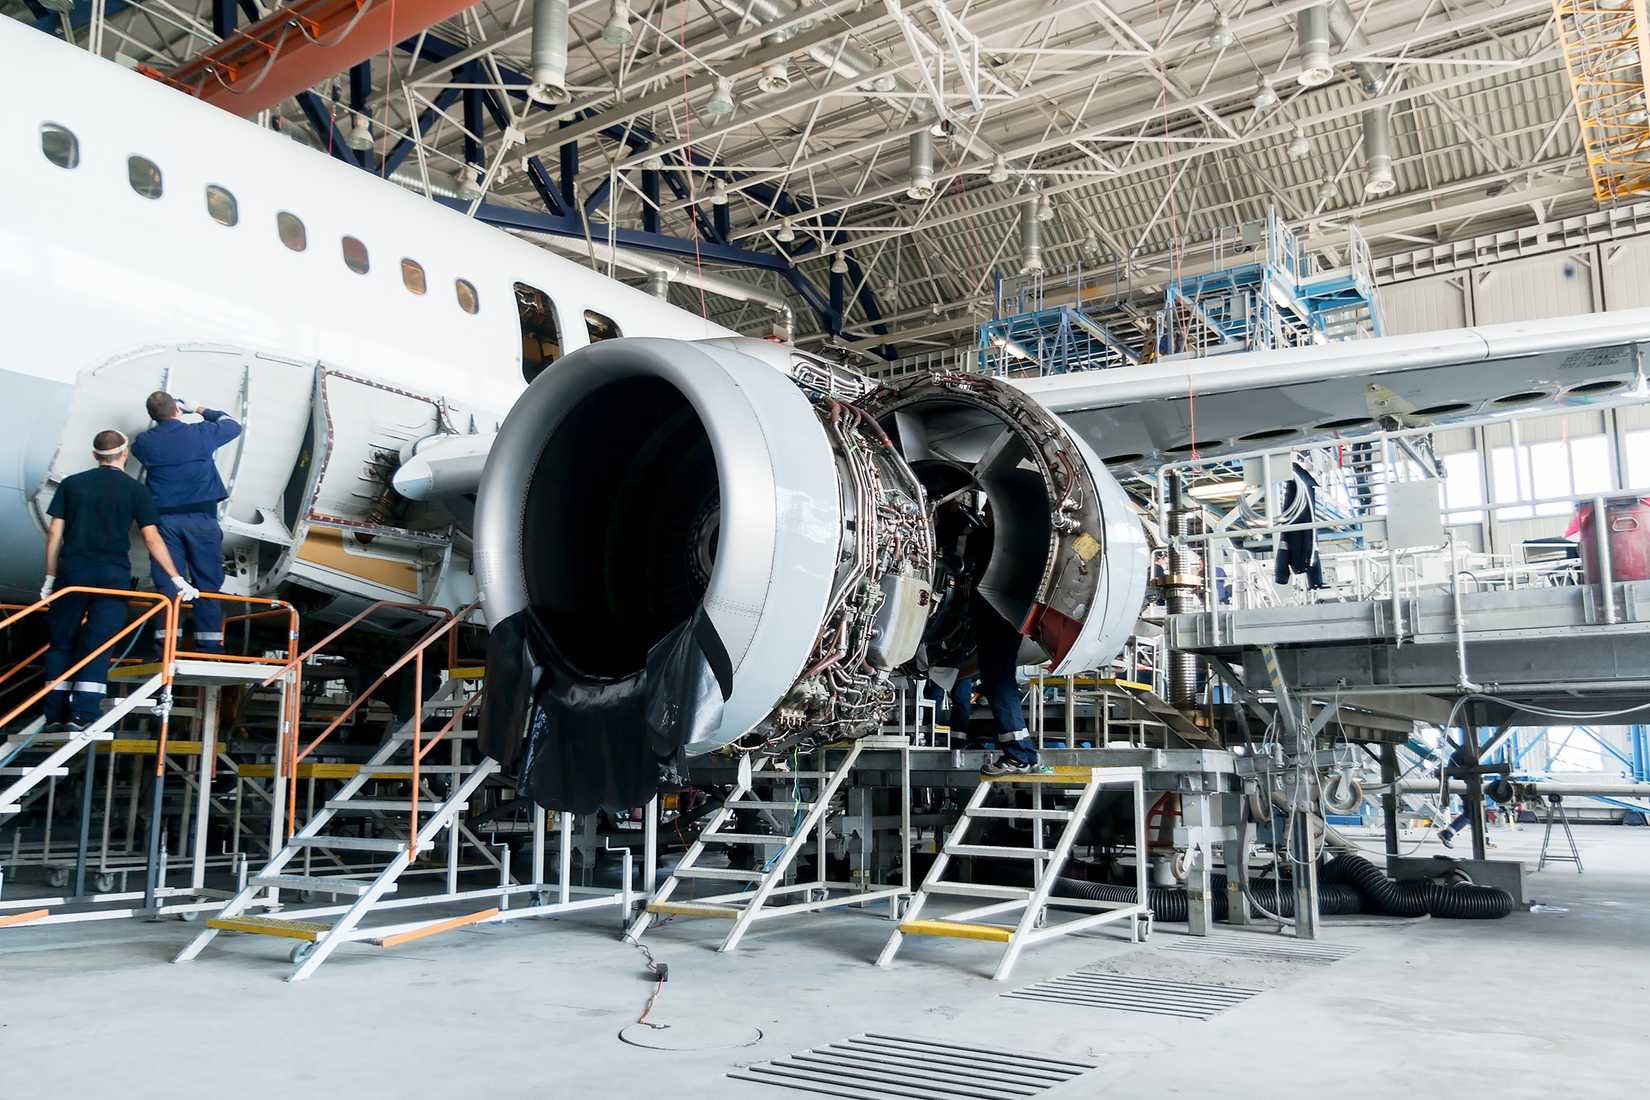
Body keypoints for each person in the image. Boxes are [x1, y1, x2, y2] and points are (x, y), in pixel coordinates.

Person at [40, 430, 199, 732]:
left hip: (73, 574)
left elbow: (54, 534)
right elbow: (151, 538)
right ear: (124, 455)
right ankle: (83, 714)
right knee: (98, 643)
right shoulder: (134, 491)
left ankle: (54, 716)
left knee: (61, 642)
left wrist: (50, 576)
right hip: (112, 577)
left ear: (94, 456)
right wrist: (176, 577)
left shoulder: (72, 485)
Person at [131, 391, 240, 653]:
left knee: (169, 582)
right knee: (208, 582)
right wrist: (200, 407)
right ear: (178, 410)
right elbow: (232, 425)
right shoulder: (201, 433)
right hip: (202, 519)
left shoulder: (144, 443)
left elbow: (137, 449)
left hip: (165, 521)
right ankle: (210, 648)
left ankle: (166, 647)